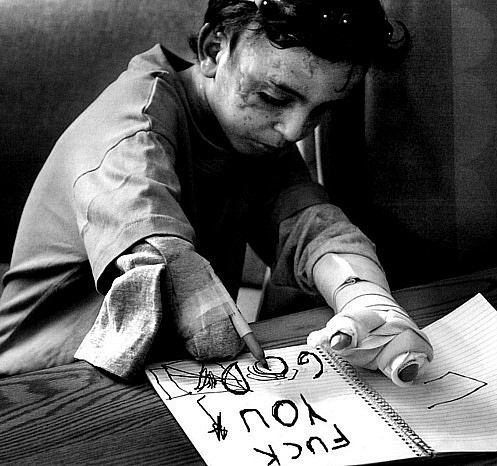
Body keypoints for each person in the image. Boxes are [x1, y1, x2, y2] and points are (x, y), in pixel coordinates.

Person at [0, 0, 432, 384]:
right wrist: (187, 283)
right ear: (213, 50)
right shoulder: (131, 128)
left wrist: (368, 300)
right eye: (273, 97)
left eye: (321, 110)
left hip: (166, 373)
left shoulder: (251, 132)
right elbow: (152, 242)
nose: (294, 130)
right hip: (41, 384)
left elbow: (311, 227)